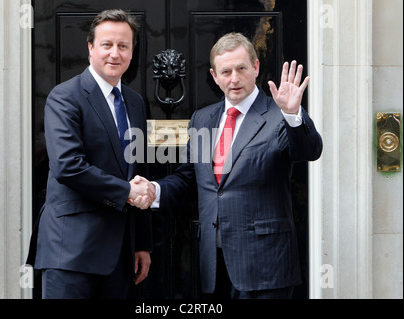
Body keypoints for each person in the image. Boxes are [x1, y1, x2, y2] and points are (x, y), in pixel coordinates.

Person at [131, 32, 323, 299]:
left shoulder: (278, 114)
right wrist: (154, 190)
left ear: (255, 67)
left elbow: (308, 151)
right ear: (214, 75)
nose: (234, 79)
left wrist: (292, 115)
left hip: (265, 266)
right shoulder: (202, 119)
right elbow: (189, 179)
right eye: (226, 71)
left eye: (241, 68)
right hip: (214, 264)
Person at [26, 9, 155, 299]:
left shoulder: (134, 102)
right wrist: (127, 192)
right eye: (107, 45)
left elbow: (138, 171)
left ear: (132, 52)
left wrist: (142, 242)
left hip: (121, 255)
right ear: (90, 48)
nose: (115, 53)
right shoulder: (65, 96)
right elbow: (68, 166)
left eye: (123, 46)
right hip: (71, 252)